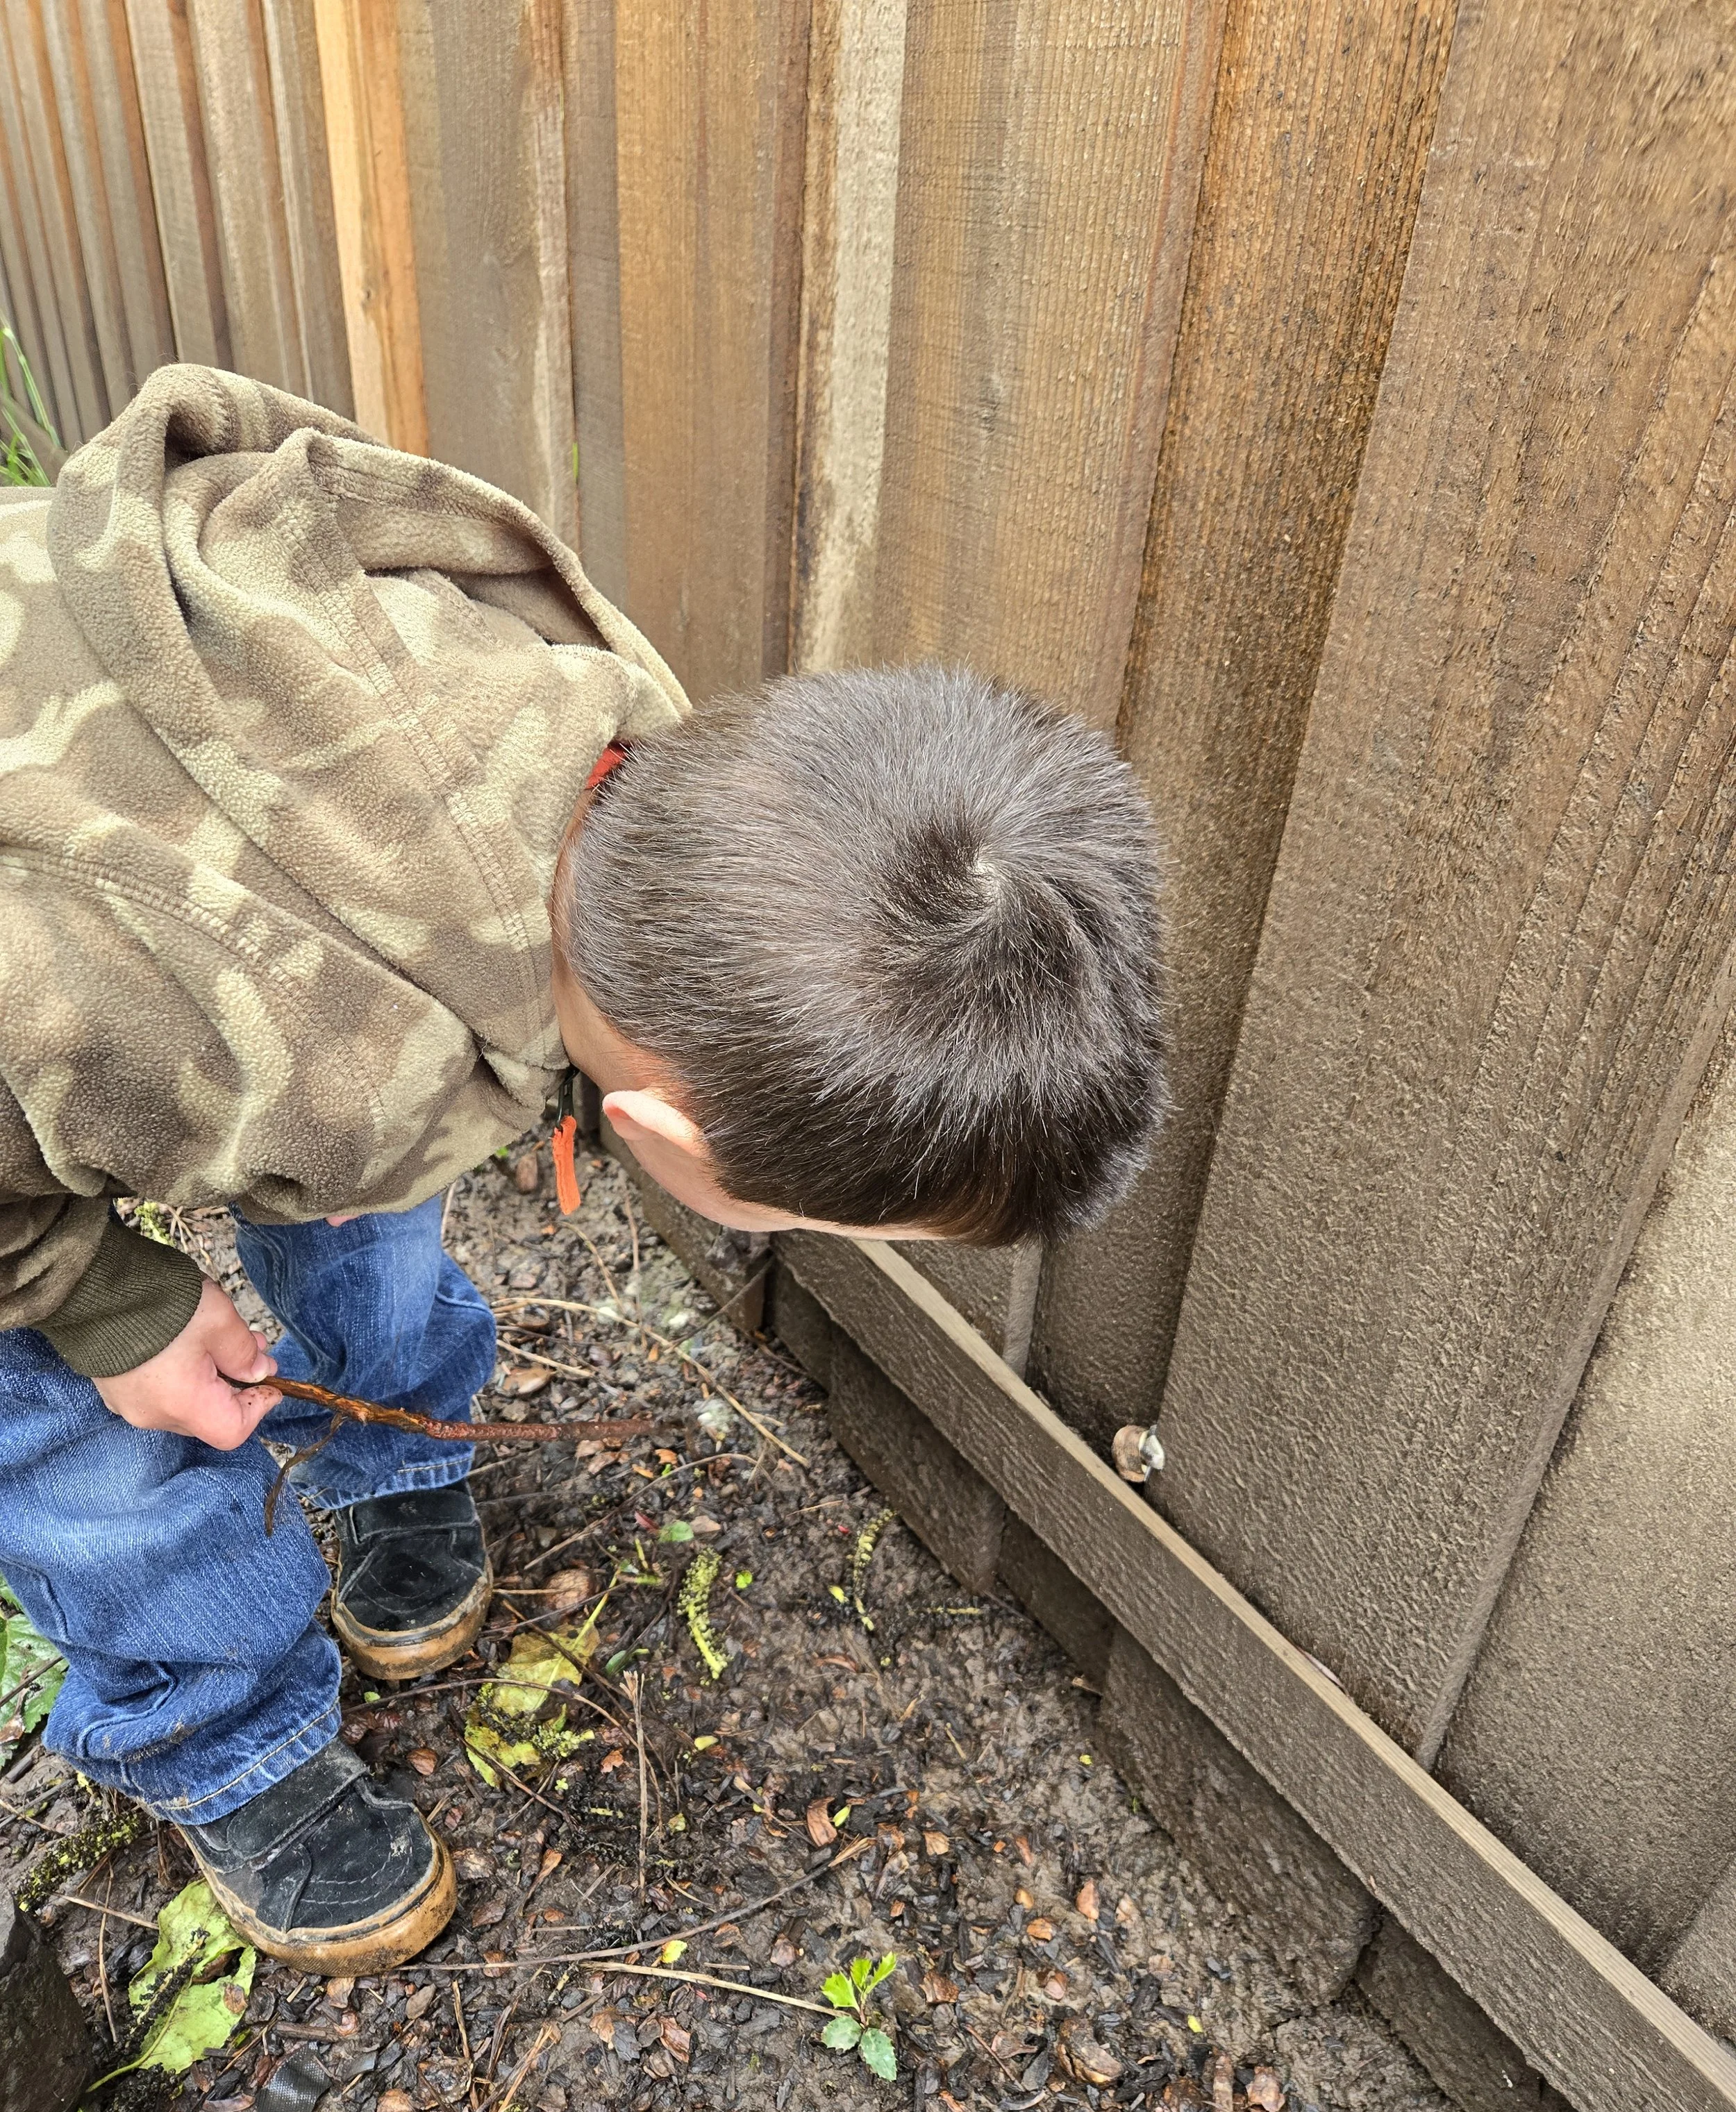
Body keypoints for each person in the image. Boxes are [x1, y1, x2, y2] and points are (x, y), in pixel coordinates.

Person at [0, 367, 1165, 1973]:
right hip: (68, 981)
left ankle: (387, 1463)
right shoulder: (276, 1023)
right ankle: (222, 1736)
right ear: (671, 1148)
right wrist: (108, 1303)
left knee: (365, 1185)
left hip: (232, 979)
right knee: (73, 1454)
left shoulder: (622, 765)